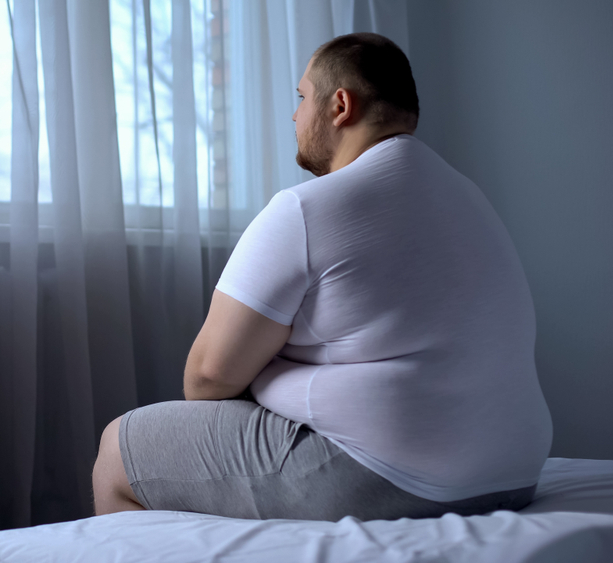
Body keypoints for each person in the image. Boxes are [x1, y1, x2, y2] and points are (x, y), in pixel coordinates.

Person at [91, 32, 553, 522]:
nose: (295, 116)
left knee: (119, 447)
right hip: (514, 472)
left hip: (394, 473)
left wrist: (267, 372)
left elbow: (205, 380)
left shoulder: (307, 209)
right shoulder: (468, 199)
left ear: (340, 105)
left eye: (301, 97)